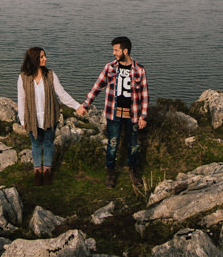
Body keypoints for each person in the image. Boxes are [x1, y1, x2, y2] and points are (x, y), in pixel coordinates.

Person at [76, 36, 149, 188]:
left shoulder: (139, 70)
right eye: (113, 50)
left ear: (125, 50)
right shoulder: (110, 67)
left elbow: (144, 95)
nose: (114, 53)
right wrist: (85, 105)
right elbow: (97, 86)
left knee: (133, 145)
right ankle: (111, 172)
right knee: (113, 144)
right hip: (113, 114)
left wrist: (143, 116)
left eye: (116, 50)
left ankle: (133, 173)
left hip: (133, 115)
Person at [17, 46, 81, 185]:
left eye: (44, 56)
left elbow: (61, 94)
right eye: (41, 56)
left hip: (49, 117)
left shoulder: (50, 75)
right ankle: (37, 172)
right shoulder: (23, 77)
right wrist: (22, 119)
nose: (45, 59)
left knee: (48, 143)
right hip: (32, 118)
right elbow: (21, 99)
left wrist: (77, 106)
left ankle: (47, 172)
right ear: (33, 59)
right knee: (35, 145)